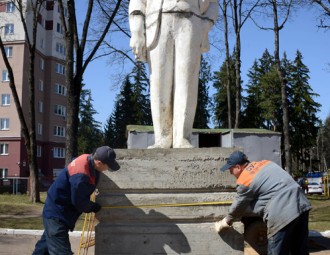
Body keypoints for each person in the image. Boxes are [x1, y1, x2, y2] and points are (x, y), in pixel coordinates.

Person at [129, 0, 219, 148]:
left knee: (187, 82)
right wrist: (137, 31)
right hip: (157, 21)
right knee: (159, 83)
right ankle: (162, 137)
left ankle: (182, 137)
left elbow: (213, 3)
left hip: (191, 21)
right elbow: (137, 1)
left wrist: (205, 24)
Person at [215, 151, 311, 255]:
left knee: (277, 252)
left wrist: (227, 220)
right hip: (301, 204)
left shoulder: (245, 179)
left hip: (283, 212)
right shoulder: (266, 163)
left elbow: (239, 204)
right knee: (299, 250)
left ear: (238, 167)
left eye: (231, 169)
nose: (230, 172)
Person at [32, 146, 120, 255]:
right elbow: (79, 202)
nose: (108, 169)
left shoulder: (89, 161)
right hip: (57, 214)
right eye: (108, 166)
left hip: (59, 211)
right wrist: (93, 207)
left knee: (43, 249)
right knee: (61, 251)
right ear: (99, 163)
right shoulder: (80, 176)